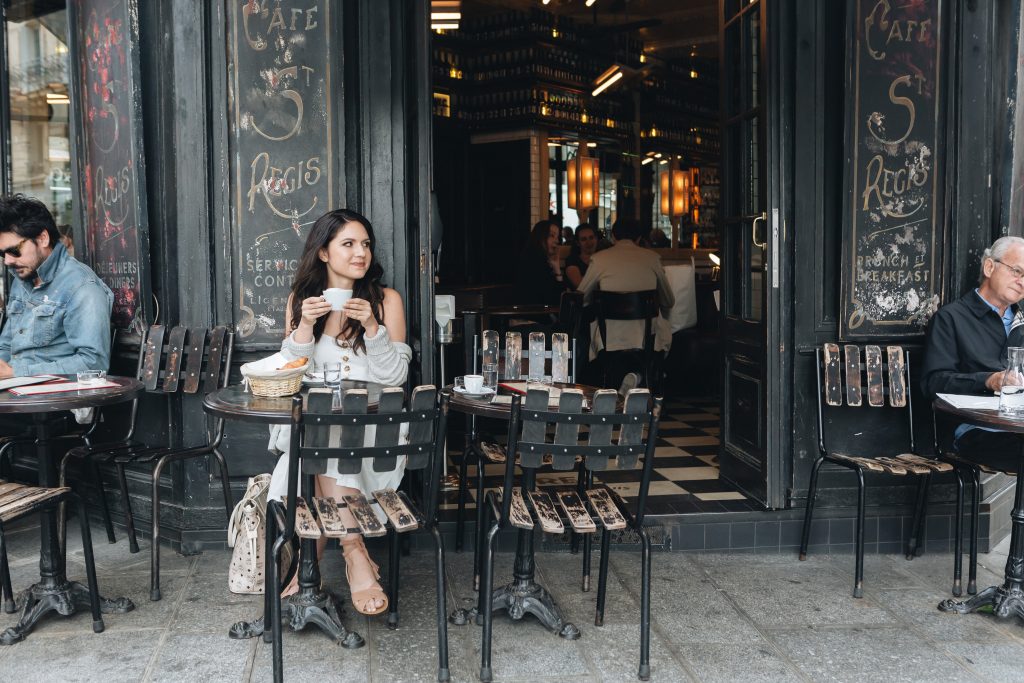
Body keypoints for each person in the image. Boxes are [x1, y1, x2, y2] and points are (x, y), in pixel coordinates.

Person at [268, 208, 411, 616]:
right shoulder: (302, 302)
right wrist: (303, 328)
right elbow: (290, 374)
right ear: (324, 252)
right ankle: (353, 552)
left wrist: (373, 329)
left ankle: (313, 564)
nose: (360, 252)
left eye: (365, 244)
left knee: (320, 446)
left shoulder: (386, 301)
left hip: (374, 434)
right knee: (320, 439)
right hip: (319, 429)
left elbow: (396, 378)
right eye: (348, 244)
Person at [922, 235, 1024, 472]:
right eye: (1017, 271)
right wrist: (988, 380)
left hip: (1017, 428)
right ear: (989, 267)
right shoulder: (951, 319)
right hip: (972, 430)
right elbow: (932, 383)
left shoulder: (1021, 323)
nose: (1022, 282)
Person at [0, 194, 112, 379]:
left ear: (43, 238)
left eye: (14, 251)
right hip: (15, 389)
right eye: (2, 254)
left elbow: (93, 363)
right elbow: (6, 346)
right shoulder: (22, 276)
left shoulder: (82, 287)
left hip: (55, 394)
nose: (8, 261)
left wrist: (15, 373)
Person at [577, 217, 675, 366]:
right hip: (648, 339)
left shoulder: (599, 259)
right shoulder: (652, 258)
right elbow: (668, 301)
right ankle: (643, 374)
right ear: (639, 238)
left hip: (609, 339)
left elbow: (580, 297)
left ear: (613, 237)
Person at [514, 219, 567, 306]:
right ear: (540, 237)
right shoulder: (532, 261)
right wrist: (557, 271)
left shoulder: (542, 260)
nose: (557, 241)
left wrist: (556, 268)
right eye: (552, 235)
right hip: (533, 313)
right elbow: (555, 299)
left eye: (557, 237)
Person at [565, 223, 598, 289]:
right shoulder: (572, 260)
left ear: (596, 239)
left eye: (591, 237)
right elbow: (582, 287)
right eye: (584, 239)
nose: (589, 242)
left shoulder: (603, 258)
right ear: (578, 243)